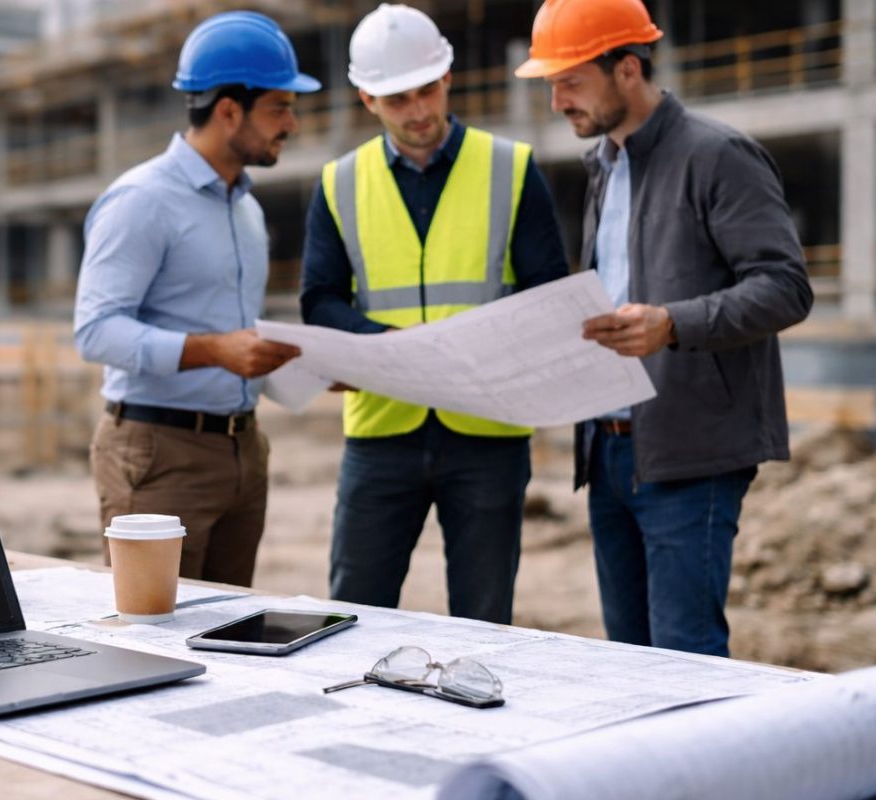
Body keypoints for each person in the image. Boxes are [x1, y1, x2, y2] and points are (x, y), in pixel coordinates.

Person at [514, 0, 814, 656]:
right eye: (551, 85)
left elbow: (786, 288)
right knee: (629, 661)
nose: (557, 101)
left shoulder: (719, 156)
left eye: (570, 81)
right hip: (609, 451)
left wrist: (673, 324)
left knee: (686, 660)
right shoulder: (605, 165)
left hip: (691, 453)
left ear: (627, 69)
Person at [301, 4, 569, 623]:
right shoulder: (339, 183)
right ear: (368, 99)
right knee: (354, 612)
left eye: (427, 91)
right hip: (380, 432)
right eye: (398, 99)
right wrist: (394, 345)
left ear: (448, 77)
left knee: (483, 618)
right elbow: (321, 300)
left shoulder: (511, 168)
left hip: (488, 432)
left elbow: (548, 295)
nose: (418, 111)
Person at [74, 12, 318, 587]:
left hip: (243, 450)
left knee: (230, 628)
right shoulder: (142, 201)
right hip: (160, 454)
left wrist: (306, 366)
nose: (292, 123)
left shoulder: (245, 209)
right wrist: (215, 351)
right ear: (229, 111)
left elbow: (233, 332)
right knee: (155, 628)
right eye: (279, 108)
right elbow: (95, 330)